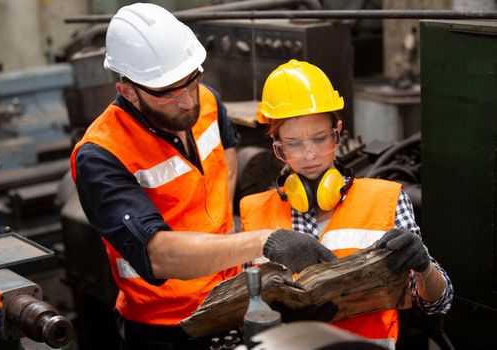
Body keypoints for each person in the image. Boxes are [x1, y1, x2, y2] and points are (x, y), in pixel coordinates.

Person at [70, 4, 336, 349]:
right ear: (128, 90)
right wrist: (263, 241)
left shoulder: (207, 102)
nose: (186, 103)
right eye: (167, 92)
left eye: (191, 81)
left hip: (233, 298)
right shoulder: (101, 155)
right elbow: (156, 254)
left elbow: (226, 157)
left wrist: (223, 245)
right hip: (166, 325)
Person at [240, 59, 454, 349]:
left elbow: (437, 305)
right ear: (275, 142)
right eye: (292, 143)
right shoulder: (254, 213)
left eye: (320, 139)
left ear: (338, 132)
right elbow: (237, 310)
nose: (309, 155)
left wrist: (424, 268)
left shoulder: (386, 200)